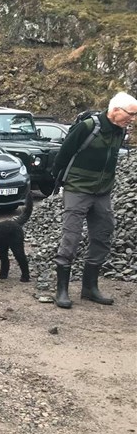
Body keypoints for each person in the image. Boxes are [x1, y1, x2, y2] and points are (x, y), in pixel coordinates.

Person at [52, 91, 137, 309]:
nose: (132, 119)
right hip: (77, 189)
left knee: (103, 233)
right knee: (71, 237)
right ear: (115, 110)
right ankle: (61, 290)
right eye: (131, 114)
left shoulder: (120, 130)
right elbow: (63, 154)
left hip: (102, 192)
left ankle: (89, 288)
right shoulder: (89, 127)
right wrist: (59, 181)